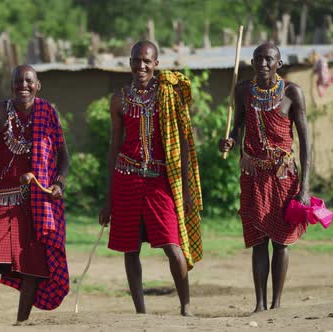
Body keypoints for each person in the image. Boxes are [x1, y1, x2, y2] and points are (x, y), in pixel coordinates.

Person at [99, 41, 203, 316]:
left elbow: (181, 145)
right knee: (130, 248)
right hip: (126, 179)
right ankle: (140, 312)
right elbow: (114, 146)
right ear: (130, 62)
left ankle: (186, 306)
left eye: (147, 61)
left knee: (172, 244)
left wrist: (187, 191)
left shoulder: (168, 96)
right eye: (136, 60)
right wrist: (108, 198)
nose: (141, 66)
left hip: (159, 181)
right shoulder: (119, 99)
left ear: (156, 64)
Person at [0, 65, 70, 324]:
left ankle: (20, 324)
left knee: (33, 268)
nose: (23, 85)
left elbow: (63, 156)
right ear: (11, 85)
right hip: (5, 197)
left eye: (28, 81)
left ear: (38, 85)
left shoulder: (47, 112)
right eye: (18, 81)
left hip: (38, 200)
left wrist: (60, 182)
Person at [219, 43, 311, 312]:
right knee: (258, 241)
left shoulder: (293, 93)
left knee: (281, 242)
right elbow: (237, 125)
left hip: (283, 177)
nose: (263, 64)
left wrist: (304, 187)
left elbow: (306, 142)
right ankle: (259, 304)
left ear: (278, 64)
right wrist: (229, 141)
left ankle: (276, 304)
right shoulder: (244, 91)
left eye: (269, 59)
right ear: (251, 62)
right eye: (258, 59)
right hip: (253, 175)